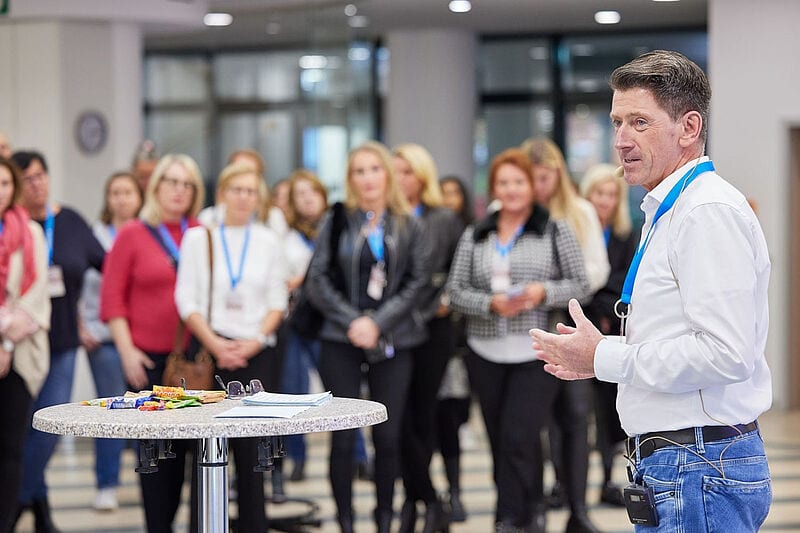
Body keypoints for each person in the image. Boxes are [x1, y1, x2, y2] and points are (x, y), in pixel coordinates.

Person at [531, 50, 772, 533]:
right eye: (617, 121)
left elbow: (727, 354)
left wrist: (604, 358)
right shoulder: (670, 206)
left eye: (639, 122)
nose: (620, 140)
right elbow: (677, 336)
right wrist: (596, 354)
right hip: (684, 462)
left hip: (699, 465)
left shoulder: (705, 212)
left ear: (688, 127)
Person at [446, 148, 590, 533]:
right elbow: (455, 290)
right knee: (498, 438)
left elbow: (581, 284)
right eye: (503, 182)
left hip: (535, 350)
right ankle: (510, 513)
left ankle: (526, 510)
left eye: (518, 182)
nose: (511, 189)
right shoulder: (476, 232)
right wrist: (489, 303)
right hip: (485, 351)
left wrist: (543, 292)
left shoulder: (555, 228)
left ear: (532, 186)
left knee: (519, 435)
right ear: (493, 188)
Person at [306, 141, 432, 533]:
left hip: (394, 338)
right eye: (358, 171)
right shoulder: (338, 219)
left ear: (387, 174)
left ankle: (383, 520)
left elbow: (417, 282)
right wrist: (354, 321)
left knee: (388, 436)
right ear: (350, 179)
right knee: (343, 438)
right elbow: (318, 279)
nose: (367, 178)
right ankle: (345, 522)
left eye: (374, 169)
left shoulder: (409, 223)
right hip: (339, 338)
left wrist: (377, 322)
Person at [175, 162, 287, 531]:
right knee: (205, 452)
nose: (244, 197)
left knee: (254, 455)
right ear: (221, 193)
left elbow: (277, 301)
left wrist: (251, 345)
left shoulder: (268, 240)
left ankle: (254, 525)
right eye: (236, 189)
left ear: (260, 198)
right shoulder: (198, 237)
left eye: (251, 191)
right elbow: (186, 299)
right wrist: (218, 345)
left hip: (257, 354)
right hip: (210, 353)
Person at [100, 154, 205, 533]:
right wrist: (127, 352)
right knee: (157, 463)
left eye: (187, 184)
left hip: (196, 364)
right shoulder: (132, 233)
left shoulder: (200, 231)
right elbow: (112, 300)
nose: (179, 190)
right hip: (148, 362)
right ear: (155, 186)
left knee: (199, 458)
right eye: (171, 182)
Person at [12, 150, 105, 533]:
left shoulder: (69, 221)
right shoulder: (11, 227)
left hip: (63, 342)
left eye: (40, 176)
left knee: (48, 431)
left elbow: (109, 266)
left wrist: (94, 319)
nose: (35, 184)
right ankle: (42, 513)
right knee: (22, 433)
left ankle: (12, 506)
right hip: (21, 345)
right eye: (26, 179)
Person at [524, 137, 608, 533]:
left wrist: (552, 288)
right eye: (532, 178)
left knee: (575, 418)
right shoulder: (505, 212)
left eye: (546, 178)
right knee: (530, 421)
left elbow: (596, 271)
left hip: (572, 324)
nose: (539, 187)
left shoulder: (580, 212)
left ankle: (578, 507)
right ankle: (535, 503)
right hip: (524, 330)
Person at [393, 143, 464, 533]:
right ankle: (425, 497)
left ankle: (415, 500)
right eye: (396, 171)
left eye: (407, 171)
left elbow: (457, 265)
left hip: (433, 328)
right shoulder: (387, 217)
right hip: (396, 327)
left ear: (422, 176)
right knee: (397, 419)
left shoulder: (443, 218)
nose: (400, 178)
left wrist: (447, 298)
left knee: (422, 414)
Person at [78, 171, 143, 512]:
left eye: (127, 192)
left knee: (147, 411)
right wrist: (78, 325)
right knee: (113, 409)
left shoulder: (149, 234)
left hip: (143, 340)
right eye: (114, 192)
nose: (121, 198)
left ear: (139, 196)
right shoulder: (95, 235)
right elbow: (76, 281)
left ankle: (151, 477)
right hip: (102, 339)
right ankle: (106, 482)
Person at [579, 163, 637, 507]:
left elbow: (621, 281)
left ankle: (608, 479)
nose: (605, 200)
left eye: (611, 194)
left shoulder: (626, 234)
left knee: (609, 412)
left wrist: (602, 308)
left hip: (610, 328)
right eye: (599, 193)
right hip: (578, 321)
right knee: (574, 415)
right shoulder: (576, 230)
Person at [0, 157, 50, 533]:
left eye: (4, 184)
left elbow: (36, 294)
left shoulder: (30, 231)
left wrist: (4, 340)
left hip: (18, 353)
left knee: (12, 449)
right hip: (6, 338)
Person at [435, 175, 474, 523]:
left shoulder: (472, 233)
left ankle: (456, 490)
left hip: (457, 344)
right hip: (425, 337)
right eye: (442, 193)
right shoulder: (426, 227)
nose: (448, 200)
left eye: (454, 193)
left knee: (451, 417)